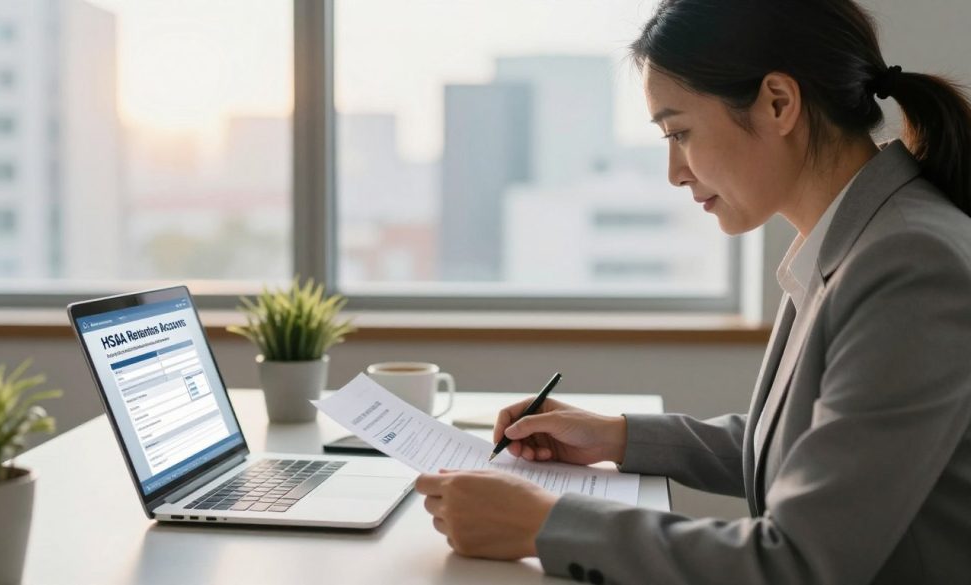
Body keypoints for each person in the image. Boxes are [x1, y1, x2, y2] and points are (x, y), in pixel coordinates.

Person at [414, 0, 971, 583]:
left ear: (779, 103)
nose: (675, 172)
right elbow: (812, 446)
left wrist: (543, 523)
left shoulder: (909, 264)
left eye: (679, 132)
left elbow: (798, 561)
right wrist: (620, 437)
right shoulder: (856, 237)